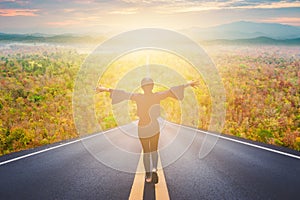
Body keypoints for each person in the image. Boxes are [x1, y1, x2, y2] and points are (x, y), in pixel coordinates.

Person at [95, 78, 198, 183]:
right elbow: (171, 91)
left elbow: (123, 94)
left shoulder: (138, 97)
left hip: (143, 126)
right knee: (154, 149)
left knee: (146, 151)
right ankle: (154, 168)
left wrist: (104, 89)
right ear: (152, 86)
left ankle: (148, 176)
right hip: (154, 125)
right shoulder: (157, 96)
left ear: (142, 87)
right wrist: (188, 84)